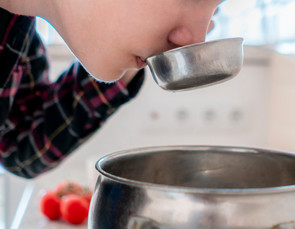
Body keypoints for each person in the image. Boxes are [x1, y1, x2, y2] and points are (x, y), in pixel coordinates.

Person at [0, 0, 223, 178]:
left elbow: (18, 144)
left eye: (215, 10)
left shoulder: (18, 30)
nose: (195, 41)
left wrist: (138, 55)